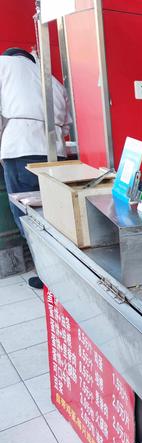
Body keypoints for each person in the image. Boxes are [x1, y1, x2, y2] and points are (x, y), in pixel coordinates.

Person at [0, 47, 71, 288]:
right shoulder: (50, 76)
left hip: (21, 149)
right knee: (57, 213)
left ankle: (47, 275)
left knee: (28, 214)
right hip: (56, 152)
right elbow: (67, 122)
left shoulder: (3, 65)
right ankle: (67, 269)